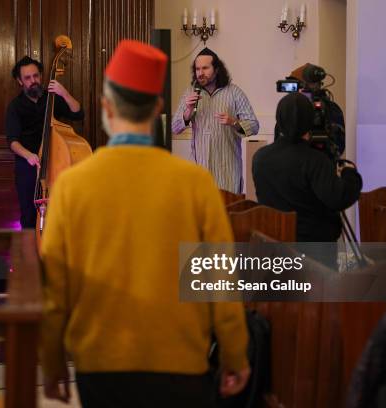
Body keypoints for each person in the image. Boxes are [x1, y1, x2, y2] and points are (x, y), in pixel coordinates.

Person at [40, 40, 250, 407]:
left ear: (106, 109)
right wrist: (234, 354)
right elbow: (219, 279)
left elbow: (57, 287)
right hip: (181, 364)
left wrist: (53, 360)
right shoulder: (195, 184)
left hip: (100, 365)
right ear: (157, 109)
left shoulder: (72, 185)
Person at [252, 92, 362, 244]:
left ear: (279, 119)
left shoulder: (260, 157)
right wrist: (350, 173)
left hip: (274, 244)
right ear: (310, 121)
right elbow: (339, 199)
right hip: (314, 251)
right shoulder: (314, 160)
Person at [5, 56, 84, 229]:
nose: (33, 81)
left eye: (36, 76)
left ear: (40, 76)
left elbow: (78, 113)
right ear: (19, 81)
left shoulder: (52, 98)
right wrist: (29, 156)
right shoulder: (15, 107)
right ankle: (31, 252)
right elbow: (12, 141)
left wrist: (64, 93)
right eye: (27, 78)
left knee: (60, 212)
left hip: (56, 163)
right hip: (28, 164)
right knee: (28, 214)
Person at [172, 48, 259, 193]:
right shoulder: (190, 93)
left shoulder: (234, 92)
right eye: (197, 69)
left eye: (205, 68)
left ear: (217, 69)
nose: (200, 73)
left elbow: (254, 126)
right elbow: (174, 128)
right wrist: (187, 111)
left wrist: (234, 122)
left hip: (228, 173)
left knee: (227, 214)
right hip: (200, 173)